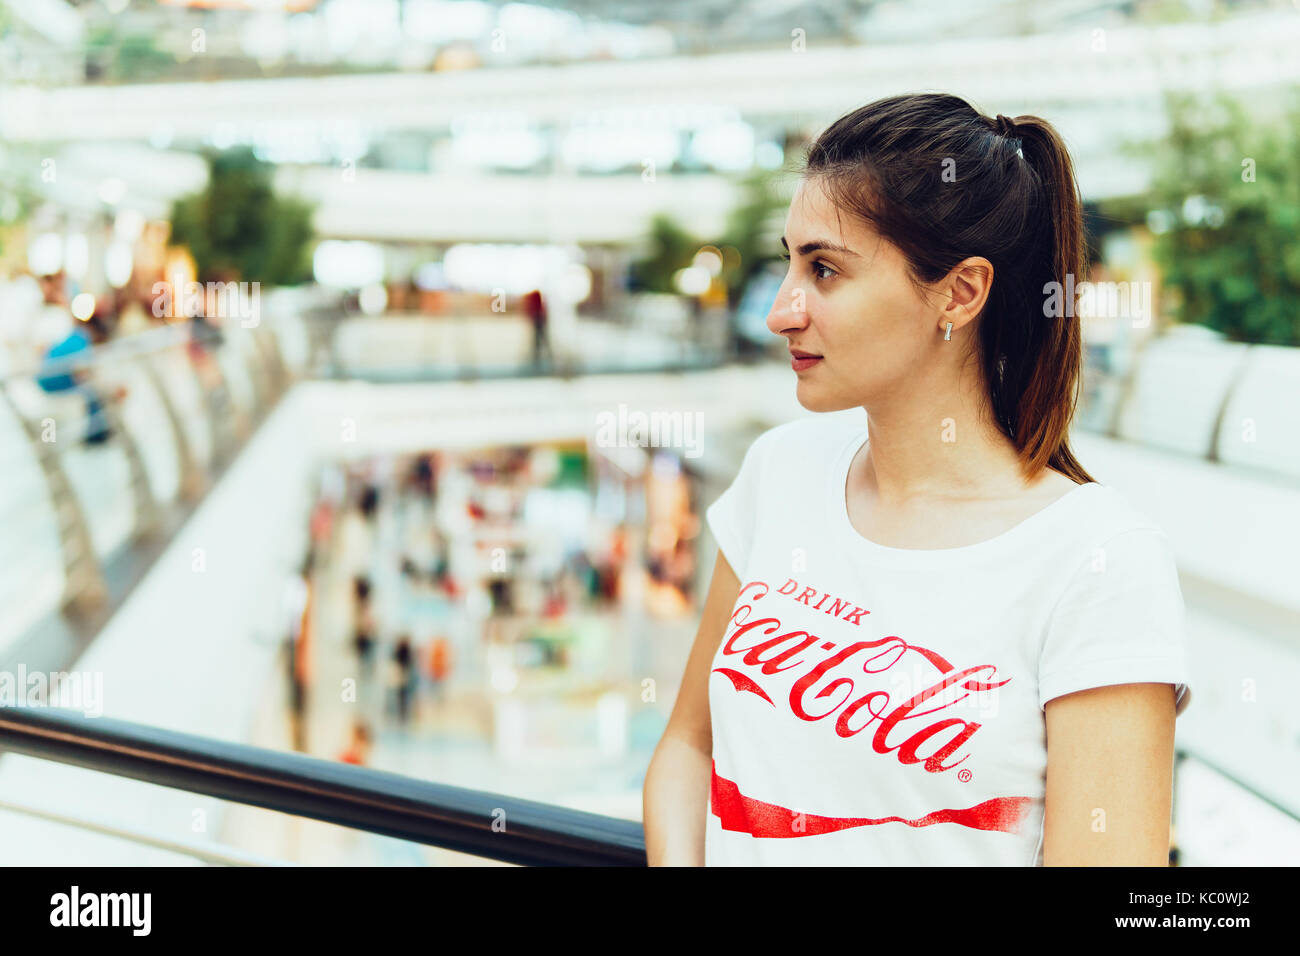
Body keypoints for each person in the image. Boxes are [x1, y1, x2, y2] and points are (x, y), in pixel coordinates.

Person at [642, 94, 1192, 868]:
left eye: (824, 269)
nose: (779, 311)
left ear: (960, 293)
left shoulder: (1097, 562)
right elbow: (688, 750)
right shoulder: (783, 471)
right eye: (790, 261)